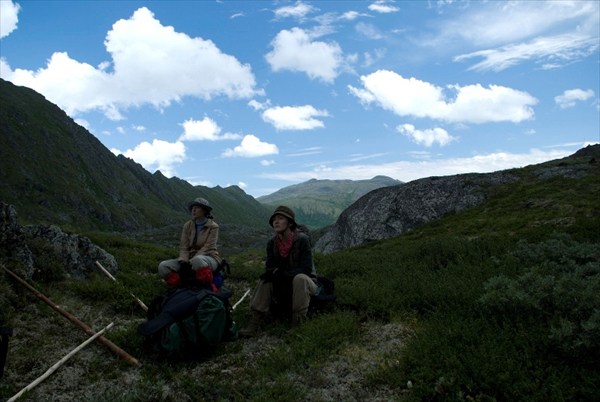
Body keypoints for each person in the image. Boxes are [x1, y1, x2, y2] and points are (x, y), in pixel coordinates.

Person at [240, 206, 318, 337]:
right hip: (284, 283)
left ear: (290, 223)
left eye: (280, 218)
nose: (276, 222)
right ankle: (254, 323)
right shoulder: (272, 243)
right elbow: (270, 267)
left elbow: (306, 269)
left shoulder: (302, 240)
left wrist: (283, 273)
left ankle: (297, 324)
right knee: (266, 279)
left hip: (306, 284)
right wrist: (273, 273)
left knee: (300, 278)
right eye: (274, 219)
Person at [158, 197, 221, 288]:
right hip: (189, 259)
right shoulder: (187, 225)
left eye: (197, 208)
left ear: (204, 210)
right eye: (192, 208)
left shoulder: (213, 226)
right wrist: (184, 261)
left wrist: (191, 261)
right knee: (163, 266)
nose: (193, 210)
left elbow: (208, 247)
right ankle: (180, 286)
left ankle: (205, 286)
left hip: (209, 258)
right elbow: (184, 247)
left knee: (198, 260)